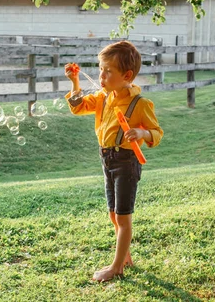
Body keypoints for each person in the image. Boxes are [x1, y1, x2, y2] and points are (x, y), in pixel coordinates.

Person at [64, 40, 163, 282]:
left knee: (123, 216)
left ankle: (116, 267)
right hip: (106, 158)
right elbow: (77, 107)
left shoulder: (140, 104)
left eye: (108, 71)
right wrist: (75, 82)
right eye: (100, 68)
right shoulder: (103, 97)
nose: (102, 75)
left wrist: (142, 133)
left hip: (126, 161)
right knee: (112, 213)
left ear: (127, 75)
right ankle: (125, 256)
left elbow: (157, 132)